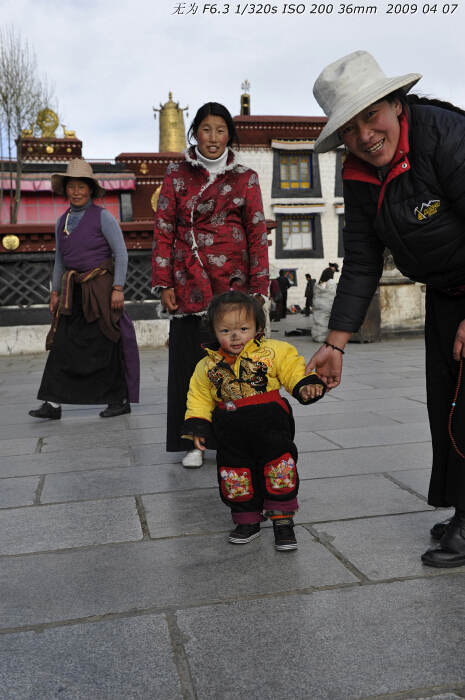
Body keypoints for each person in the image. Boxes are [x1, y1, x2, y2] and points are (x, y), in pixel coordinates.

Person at [307, 49, 465, 568]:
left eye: (371, 115)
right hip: (446, 293)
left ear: (396, 103)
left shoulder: (445, 135)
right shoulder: (356, 173)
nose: (365, 136)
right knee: (446, 403)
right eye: (349, 129)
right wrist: (335, 344)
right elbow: (362, 261)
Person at [152, 102, 269, 468]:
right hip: (188, 281)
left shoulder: (246, 178)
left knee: (239, 366)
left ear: (229, 135)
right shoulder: (176, 175)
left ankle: (241, 439)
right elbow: (164, 230)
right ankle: (195, 443)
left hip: (233, 285)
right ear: (195, 133)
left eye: (221, 130)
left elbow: (256, 232)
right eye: (206, 129)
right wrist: (163, 281)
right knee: (191, 366)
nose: (213, 138)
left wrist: (259, 286)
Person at [182, 291, 326, 550]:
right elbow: (199, 397)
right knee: (236, 474)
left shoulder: (274, 351)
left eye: (243, 328)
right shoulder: (206, 366)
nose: (235, 336)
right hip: (230, 431)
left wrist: (304, 385)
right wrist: (198, 426)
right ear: (214, 331)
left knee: (278, 467)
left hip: (270, 424)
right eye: (226, 330)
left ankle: (283, 521)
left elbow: (293, 369)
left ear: (258, 327)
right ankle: (246, 519)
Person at [29, 159, 140, 420]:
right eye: (71, 186)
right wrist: (55, 293)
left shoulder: (103, 216)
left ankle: (119, 399)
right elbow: (60, 260)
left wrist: (118, 288)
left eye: (81, 186)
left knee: (107, 343)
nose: (76, 192)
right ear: (65, 189)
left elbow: (121, 254)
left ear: (91, 189)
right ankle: (52, 404)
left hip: (101, 290)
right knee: (62, 345)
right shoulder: (62, 221)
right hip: (71, 293)